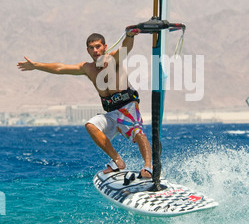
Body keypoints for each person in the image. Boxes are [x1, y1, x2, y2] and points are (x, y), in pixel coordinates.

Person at [17, 32, 153, 178]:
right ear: (87, 50)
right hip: (111, 113)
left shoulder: (114, 58)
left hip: (127, 107)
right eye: (91, 48)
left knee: (138, 133)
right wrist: (36, 65)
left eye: (98, 46)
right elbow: (60, 68)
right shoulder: (87, 68)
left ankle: (148, 167)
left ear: (105, 47)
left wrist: (130, 35)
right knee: (91, 125)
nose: (95, 50)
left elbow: (126, 47)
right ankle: (118, 161)